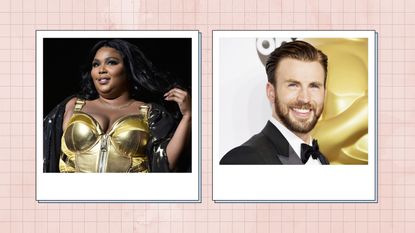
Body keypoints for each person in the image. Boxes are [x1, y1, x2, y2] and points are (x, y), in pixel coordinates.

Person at [43, 39, 191, 172]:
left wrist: (188, 116)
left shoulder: (149, 113)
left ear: (128, 69)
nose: (101, 69)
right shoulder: (73, 106)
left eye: (111, 62)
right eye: (96, 64)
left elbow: (165, 163)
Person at [220, 40, 329, 165]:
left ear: (324, 94)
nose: (305, 98)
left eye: (314, 86)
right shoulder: (244, 159)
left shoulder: (322, 160)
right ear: (271, 92)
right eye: (293, 85)